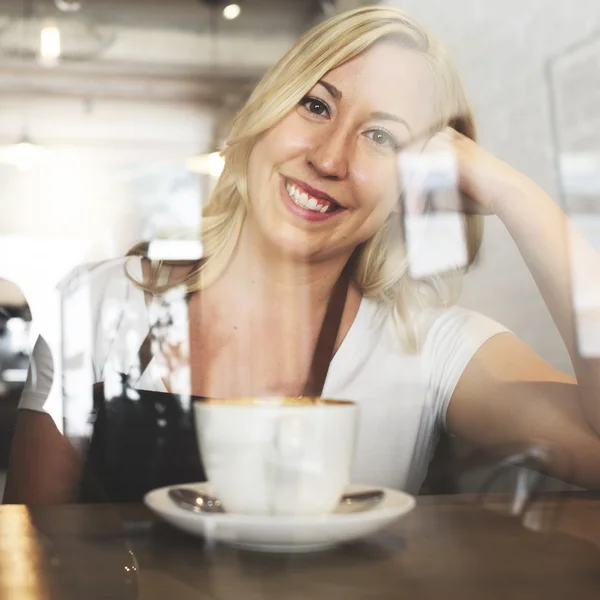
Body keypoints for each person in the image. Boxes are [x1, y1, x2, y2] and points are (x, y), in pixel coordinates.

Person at [5, 5, 600, 505]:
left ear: (414, 186)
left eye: (382, 136)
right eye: (316, 106)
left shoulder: (432, 347)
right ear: (267, 113)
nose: (330, 159)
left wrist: (518, 195)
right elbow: (32, 550)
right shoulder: (98, 303)